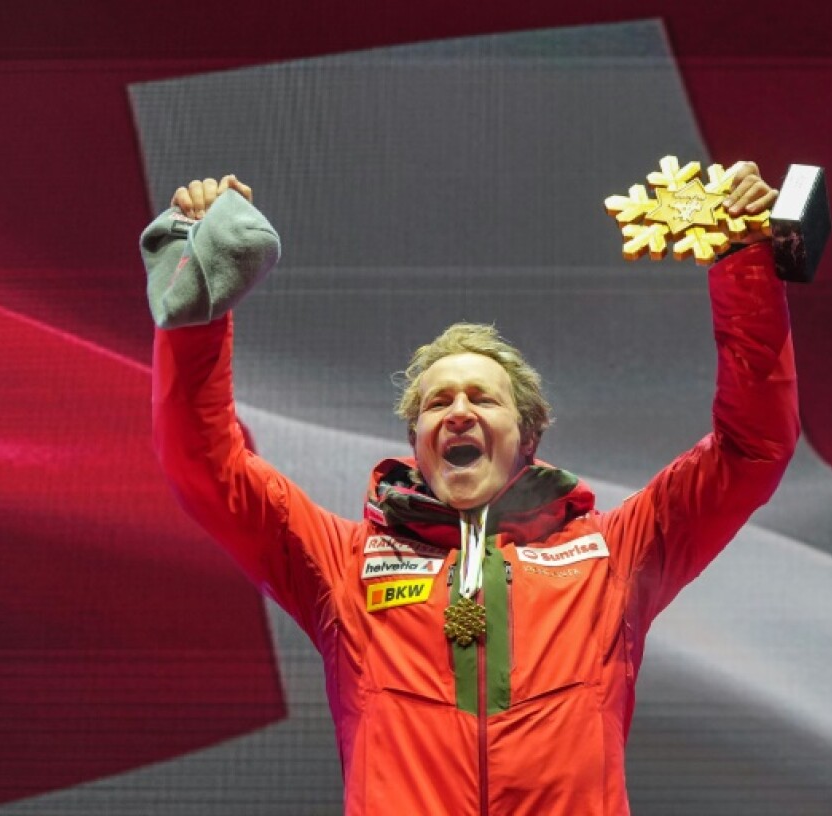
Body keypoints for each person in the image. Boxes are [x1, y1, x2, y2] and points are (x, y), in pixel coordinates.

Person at [146, 164, 798, 815]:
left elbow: (749, 450)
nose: (458, 411)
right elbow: (206, 463)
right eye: (437, 403)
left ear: (529, 436)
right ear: (418, 442)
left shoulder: (615, 556)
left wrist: (745, 265)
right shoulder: (341, 566)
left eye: (482, 397)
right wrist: (201, 302)